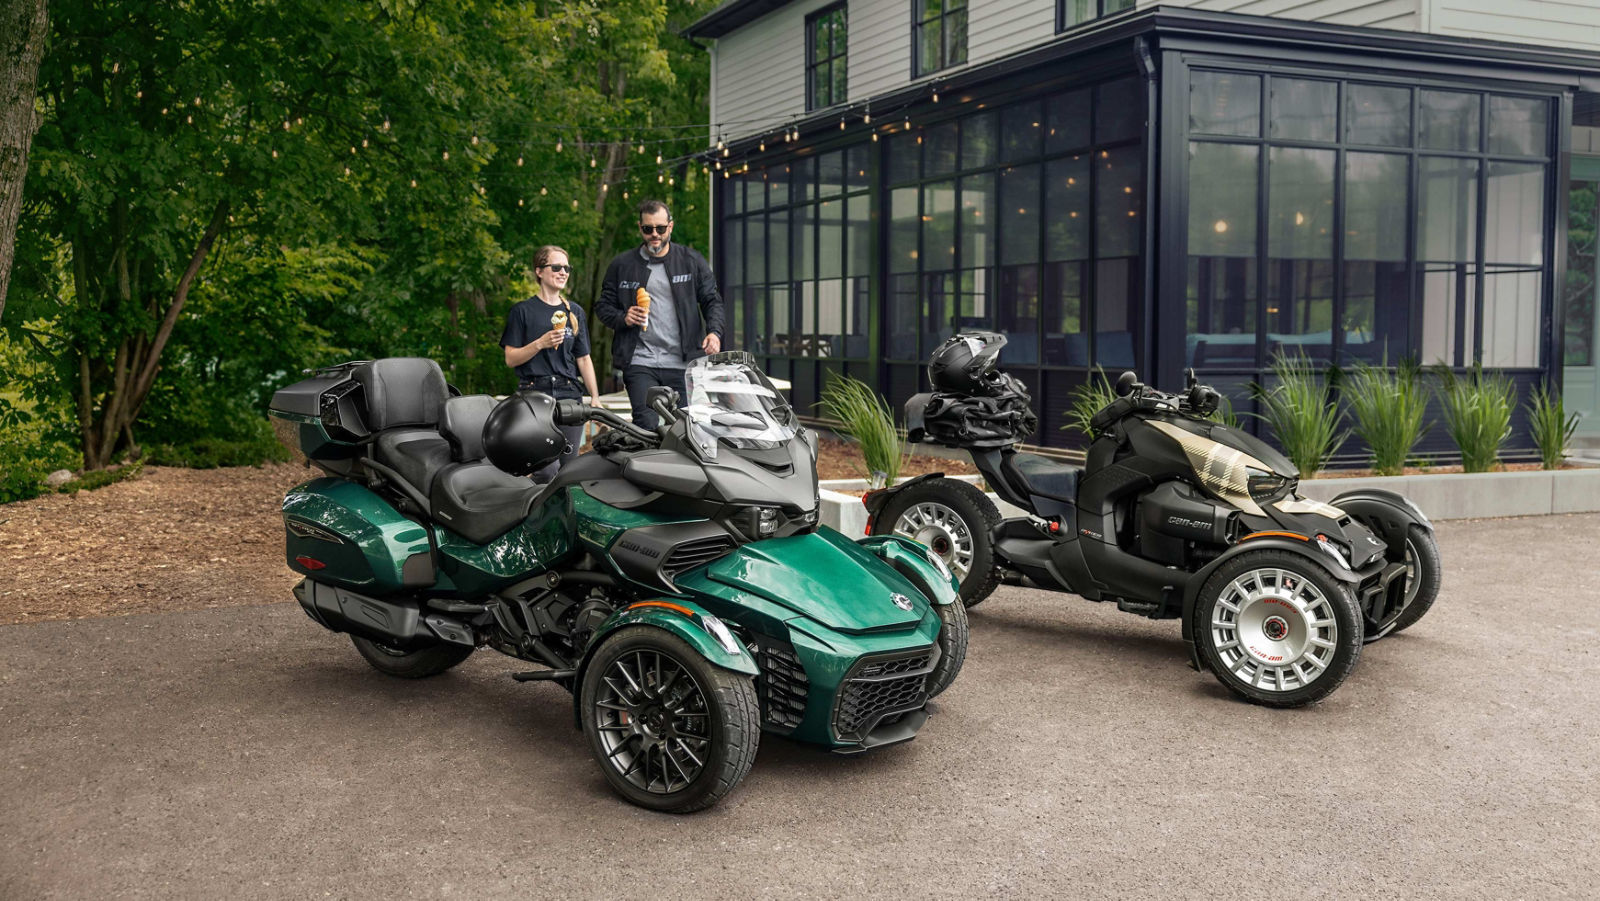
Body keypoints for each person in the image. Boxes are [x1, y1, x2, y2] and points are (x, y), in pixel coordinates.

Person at [594, 199, 724, 430]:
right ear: (640, 228)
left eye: (660, 228)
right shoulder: (622, 264)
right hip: (639, 360)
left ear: (670, 227)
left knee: (687, 428)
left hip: (683, 363)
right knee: (646, 425)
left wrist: (714, 332)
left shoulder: (691, 261)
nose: (655, 234)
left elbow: (712, 300)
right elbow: (603, 307)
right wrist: (623, 318)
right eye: (648, 229)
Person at [501, 245, 602, 482]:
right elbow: (510, 358)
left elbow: (584, 359)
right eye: (556, 267)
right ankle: (535, 514)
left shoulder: (574, 311)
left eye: (567, 268)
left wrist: (595, 398)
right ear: (539, 271)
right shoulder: (522, 311)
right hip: (534, 395)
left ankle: (563, 517)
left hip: (570, 395)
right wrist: (540, 343)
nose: (563, 272)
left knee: (569, 469)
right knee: (546, 469)